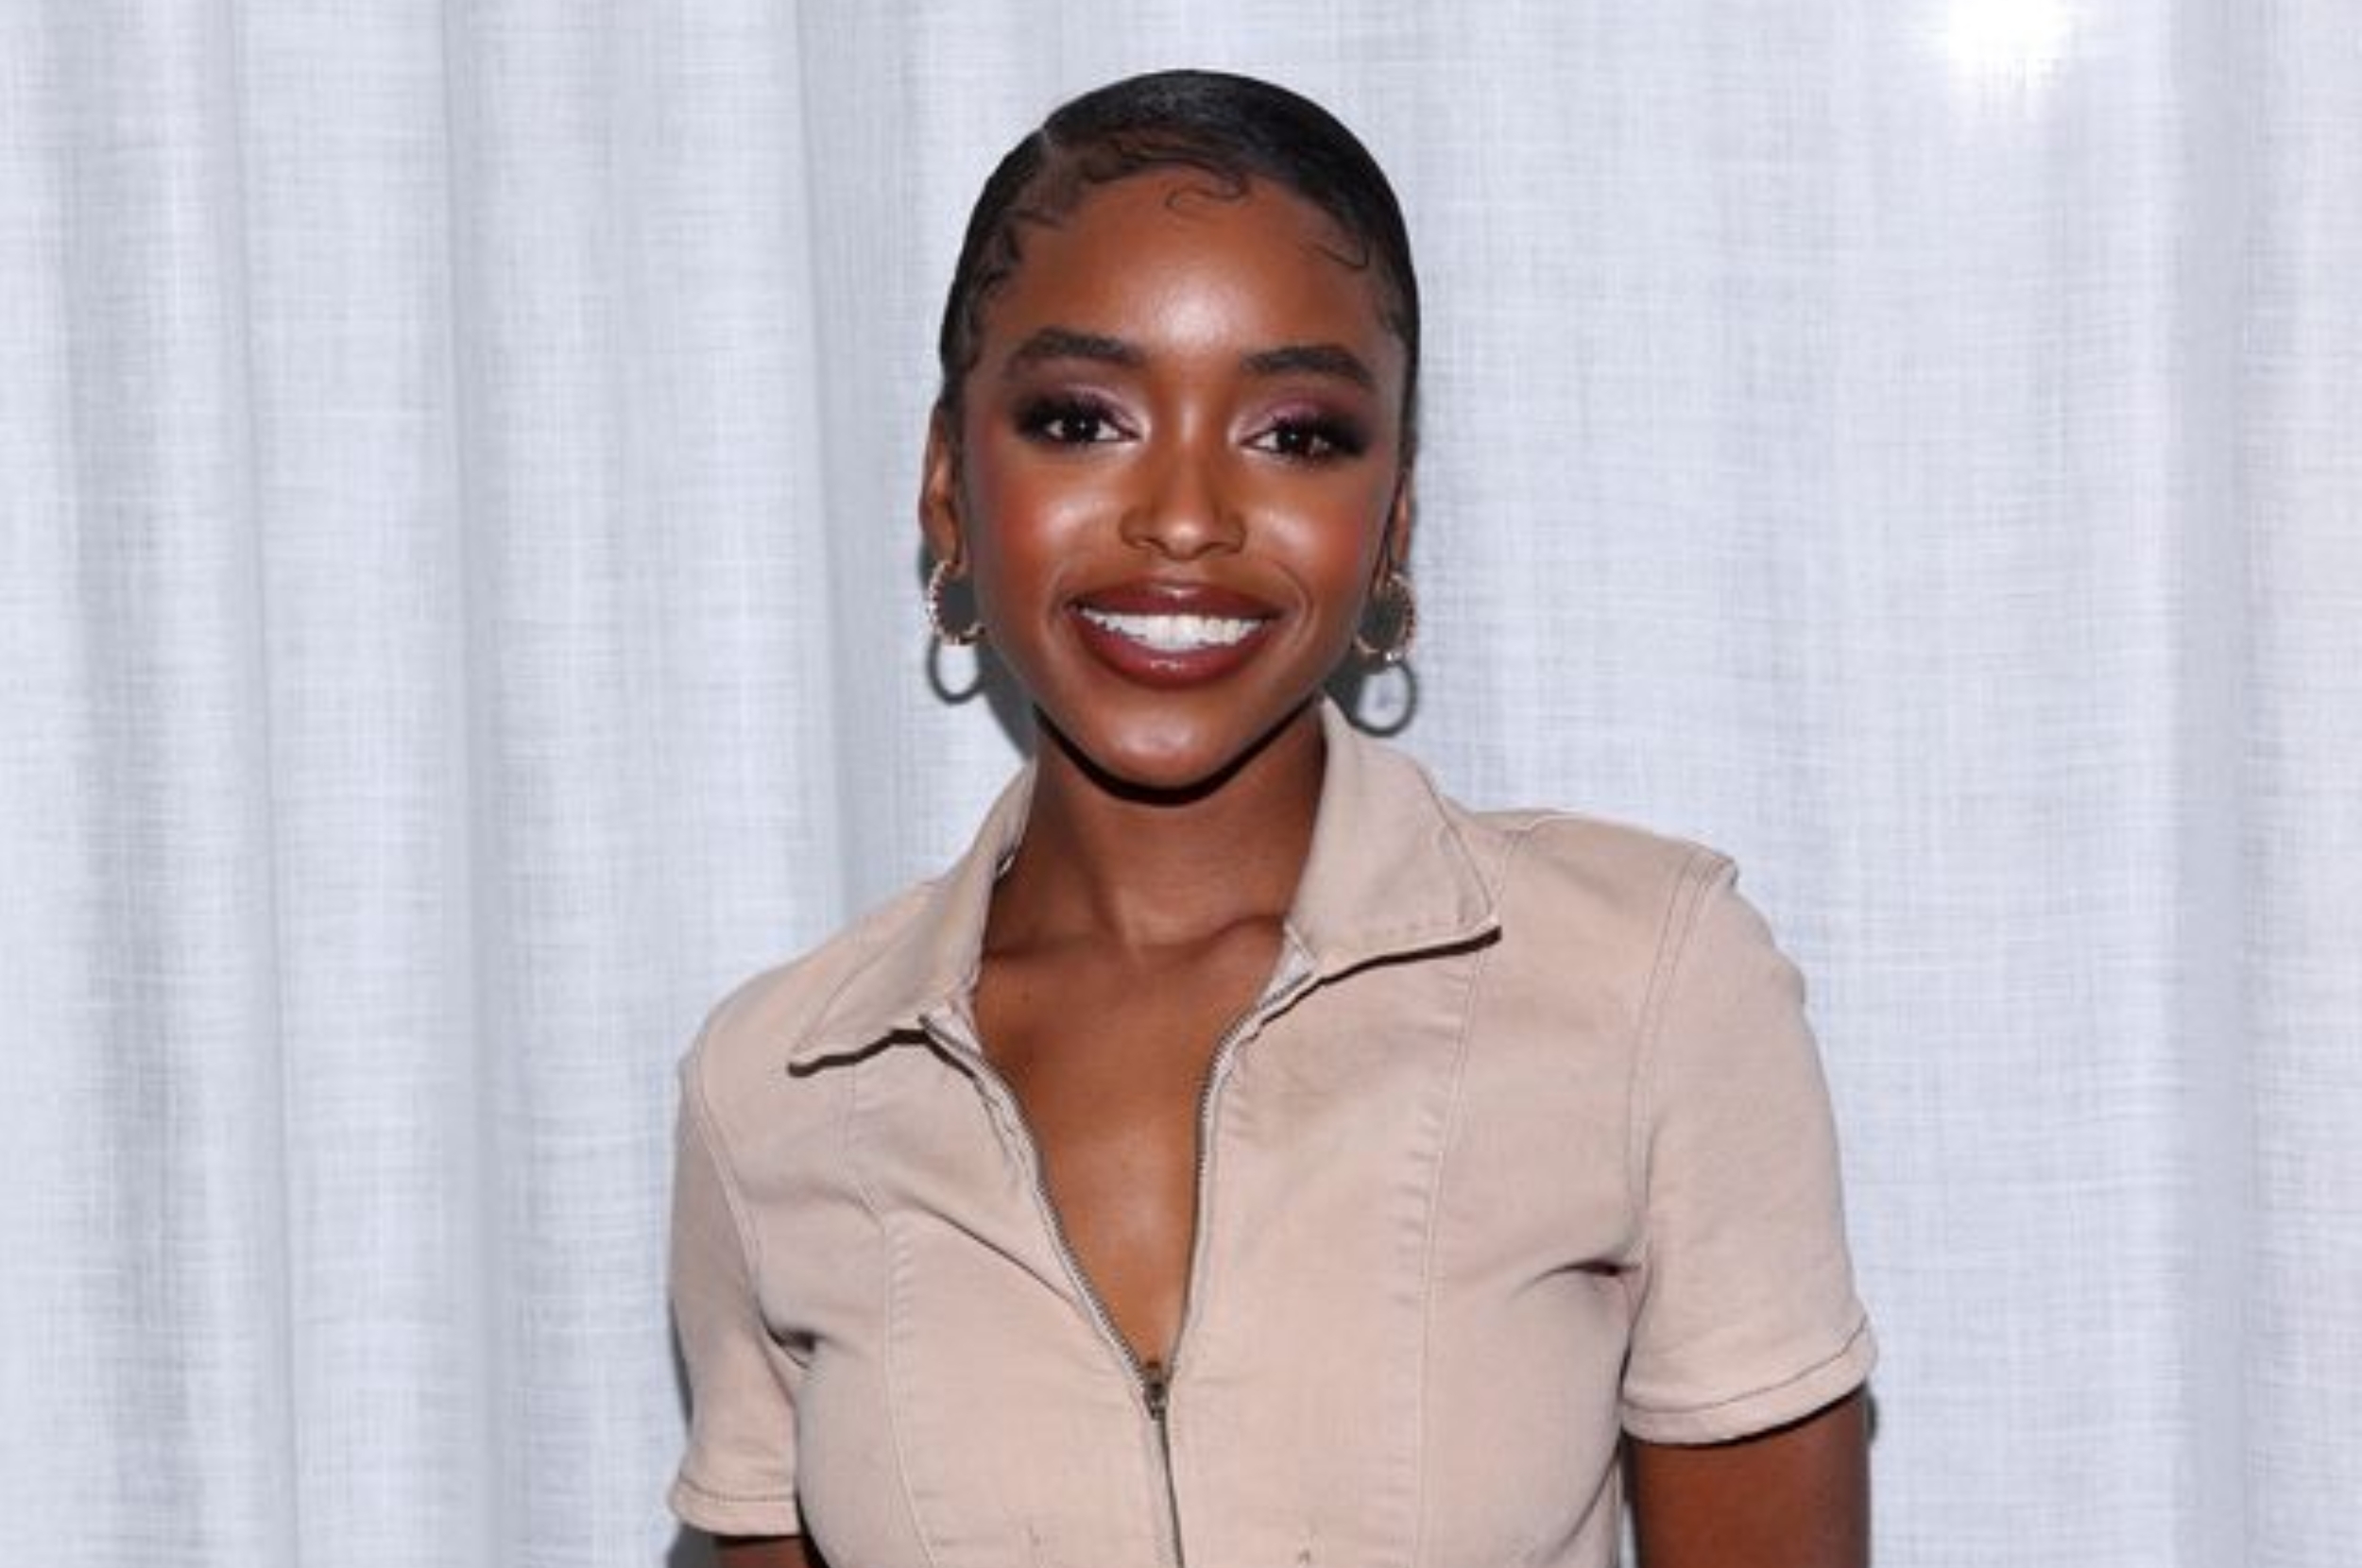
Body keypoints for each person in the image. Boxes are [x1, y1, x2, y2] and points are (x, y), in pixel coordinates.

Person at [668, 69, 1874, 1568]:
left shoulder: (1649, 988)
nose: (1185, 517)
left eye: (1297, 433)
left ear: (1394, 526)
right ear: (948, 491)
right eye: (1080, 417)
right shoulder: (779, 1084)